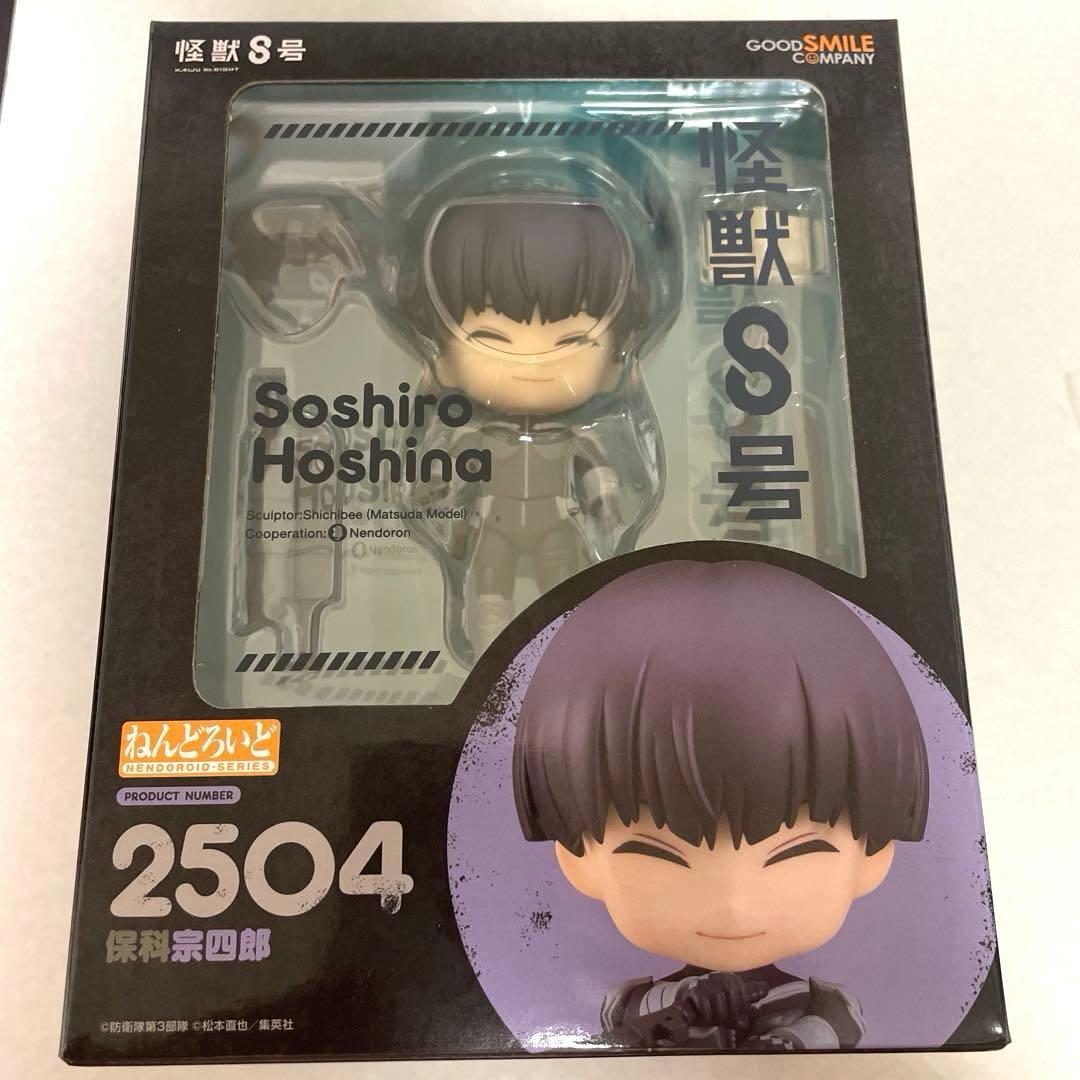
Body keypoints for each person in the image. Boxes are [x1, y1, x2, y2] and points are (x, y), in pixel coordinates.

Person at [512, 559, 930, 1050]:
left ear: (874, 855)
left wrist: (789, 1043)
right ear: (577, 857)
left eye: (796, 852)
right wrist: (688, 1004)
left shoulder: (820, 1001)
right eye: (660, 855)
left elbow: (837, 1029)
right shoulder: (636, 1003)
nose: (734, 902)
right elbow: (624, 1031)